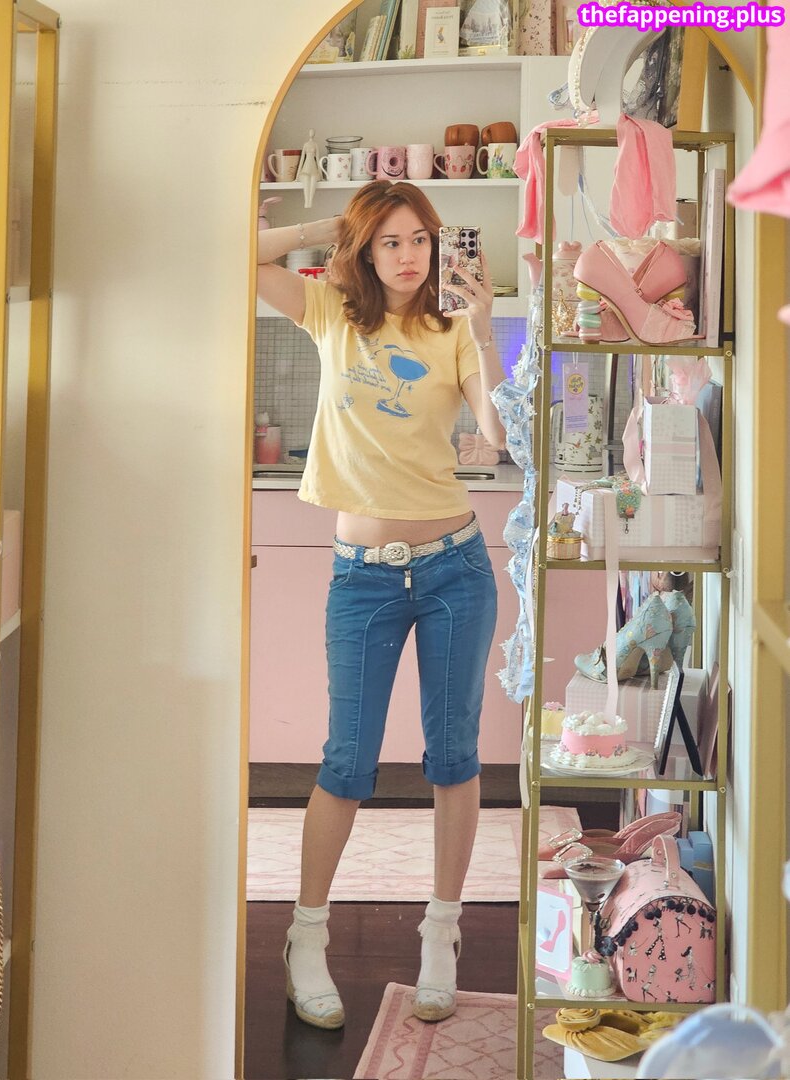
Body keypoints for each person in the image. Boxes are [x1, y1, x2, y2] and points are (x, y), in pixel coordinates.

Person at [256, 181, 507, 1031]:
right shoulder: (332, 312)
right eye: (390, 240)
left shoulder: (453, 328)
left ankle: (442, 932)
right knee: (347, 762)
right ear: (366, 249)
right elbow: (234, 254)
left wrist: (485, 327)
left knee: (455, 757)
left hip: (455, 568)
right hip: (363, 576)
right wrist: (338, 222)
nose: (408, 256)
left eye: (419, 240)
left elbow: (494, 433)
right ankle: (306, 938)